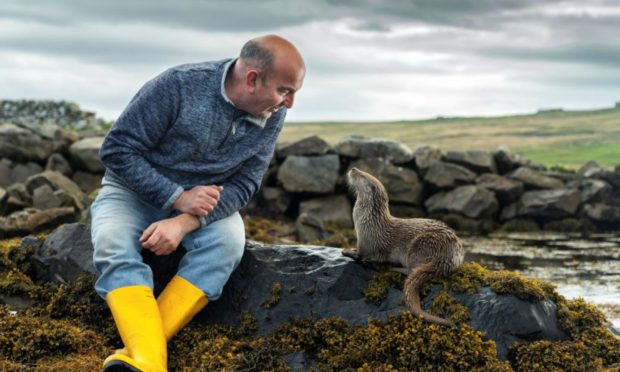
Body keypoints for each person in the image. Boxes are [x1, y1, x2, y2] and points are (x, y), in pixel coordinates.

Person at [90, 35, 305, 372]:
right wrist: (176, 197)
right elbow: (116, 150)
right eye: (284, 91)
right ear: (252, 79)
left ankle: (144, 358)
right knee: (111, 244)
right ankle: (152, 361)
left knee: (228, 245)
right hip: (131, 192)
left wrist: (184, 220)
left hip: (205, 206)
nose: (289, 103)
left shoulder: (272, 114)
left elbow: (246, 184)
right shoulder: (177, 86)